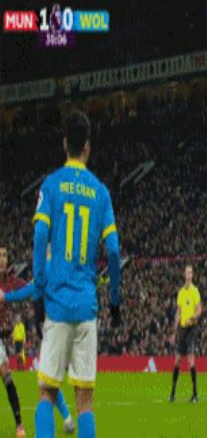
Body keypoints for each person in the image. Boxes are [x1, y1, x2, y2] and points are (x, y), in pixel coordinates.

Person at [32, 110, 121, 438]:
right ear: (87, 147)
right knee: (85, 400)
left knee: (47, 391)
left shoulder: (51, 185)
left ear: (65, 143)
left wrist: (38, 293)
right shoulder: (101, 192)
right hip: (86, 306)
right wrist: (114, 301)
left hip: (57, 303)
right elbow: (114, 250)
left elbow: (40, 237)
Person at [0, 245, 75, 433]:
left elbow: (28, 290)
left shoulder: (48, 267)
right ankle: (67, 420)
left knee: (45, 380)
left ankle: (61, 421)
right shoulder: (60, 267)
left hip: (55, 325)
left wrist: (5, 297)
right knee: (47, 378)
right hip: (60, 325)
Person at [0, 246, 26, 437]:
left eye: (5, 255)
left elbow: (29, 287)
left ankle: (19, 425)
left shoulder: (10, 281)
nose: (3, 258)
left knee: (6, 374)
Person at [169, 264, 202, 403]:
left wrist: (192, 318)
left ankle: (195, 394)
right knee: (177, 361)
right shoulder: (181, 292)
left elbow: (199, 310)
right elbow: (178, 313)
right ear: (184, 275)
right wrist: (174, 332)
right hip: (182, 330)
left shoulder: (195, 291)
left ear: (192, 275)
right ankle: (172, 394)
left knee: (190, 361)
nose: (189, 275)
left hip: (191, 329)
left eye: (191, 273)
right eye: (187, 272)